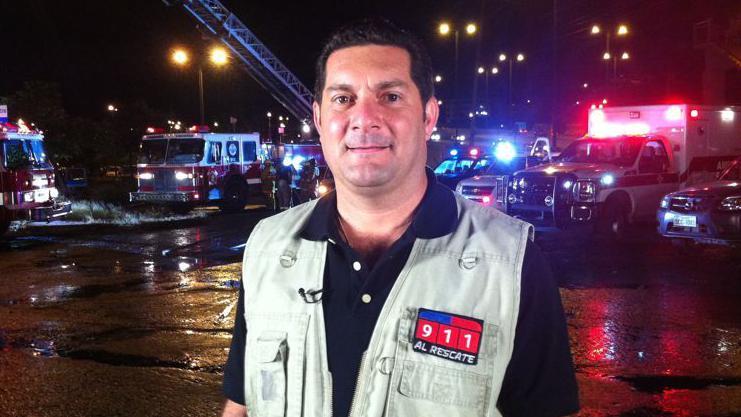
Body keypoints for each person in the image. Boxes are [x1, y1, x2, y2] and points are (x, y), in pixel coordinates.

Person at [222, 18, 579, 417]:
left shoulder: (511, 263)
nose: (364, 117)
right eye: (343, 98)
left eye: (390, 96)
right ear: (319, 119)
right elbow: (242, 402)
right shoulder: (268, 247)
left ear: (428, 116)